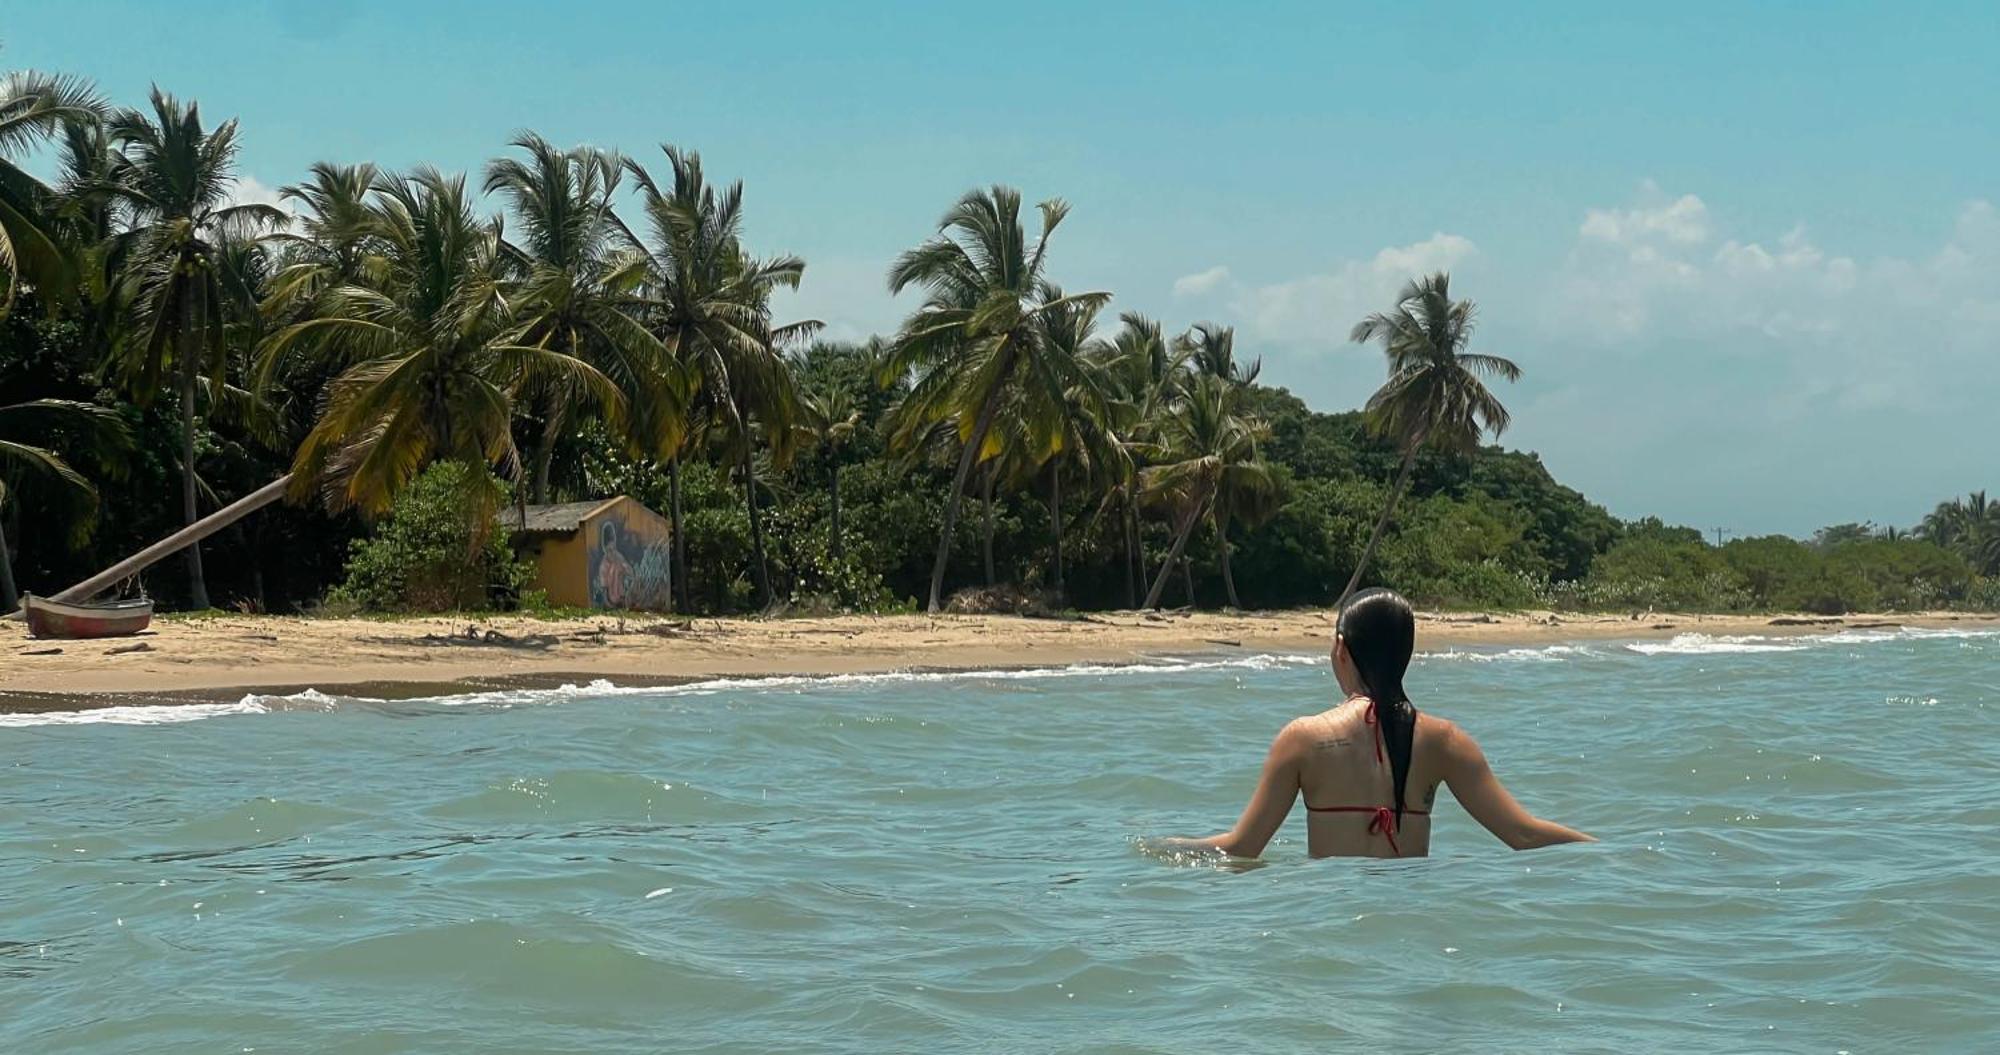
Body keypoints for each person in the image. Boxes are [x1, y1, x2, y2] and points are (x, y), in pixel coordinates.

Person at [1165, 589, 1592, 859]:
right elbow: (1523, 834)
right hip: (1411, 934)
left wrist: (1160, 849)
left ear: (1340, 649)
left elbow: (1241, 850)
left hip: (1334, 936)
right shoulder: (1446, 742)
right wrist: (1611, 854)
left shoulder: (1302, 740)